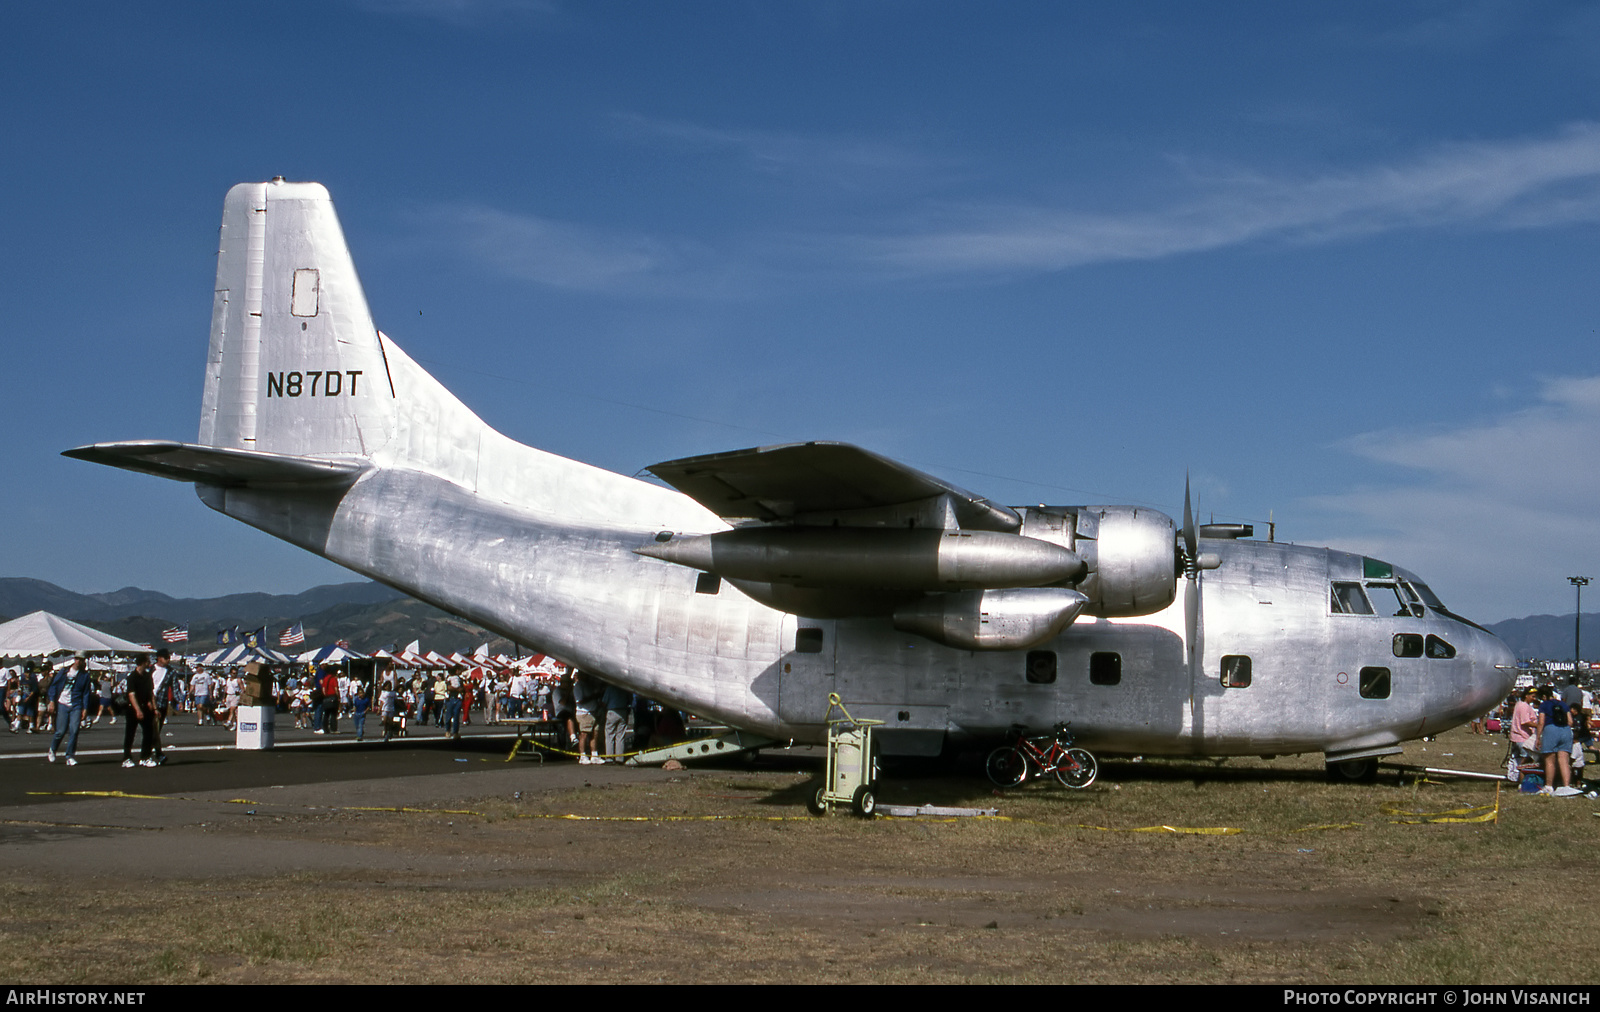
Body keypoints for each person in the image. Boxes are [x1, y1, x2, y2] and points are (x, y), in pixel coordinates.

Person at [47, 655, 95, 766]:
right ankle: (53, 749)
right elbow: (53, 686)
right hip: (62, 703)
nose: (80, 661)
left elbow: (86, 693)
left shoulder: (84, 676)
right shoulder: (64, 672)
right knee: (61, 731)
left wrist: (85, 708)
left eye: (82, 660)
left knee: (74, 730)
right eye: (78, 659)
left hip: (76, 704)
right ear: (75, 660)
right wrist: (52, 701)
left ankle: (70, 755)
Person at [121, 655, 159, 767]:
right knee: (130, 733)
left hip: (145, 707)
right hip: (132, 708)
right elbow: (131, 695)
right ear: (142, 663)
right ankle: (127, 757)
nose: (149, 664)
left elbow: (151, 693)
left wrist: (154, 706)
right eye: (147, 662)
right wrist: (137, 710)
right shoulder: (132, 677)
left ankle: (145, 757)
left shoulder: (147, 676)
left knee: (148, 732)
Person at [1536, 685, 1574, 793]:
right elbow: (1570, 721)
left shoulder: (1544, 705)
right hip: (1566, 731)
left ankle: (1549, 786)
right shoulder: (1563, 704)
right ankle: (1566, 786)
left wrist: (1538, 737)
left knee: (1549, 760)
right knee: (1564, 760)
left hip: (1551, 730)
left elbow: (1541, 722)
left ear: (1543, 696)